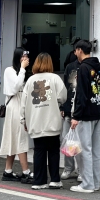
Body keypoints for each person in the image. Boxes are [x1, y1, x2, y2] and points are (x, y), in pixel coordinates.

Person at [21, 53, 67, 190]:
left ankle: (39, 181)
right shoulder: (55, 78)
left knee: (39, 150)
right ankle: (54, 179)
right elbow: (63, 96)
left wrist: (23, 120)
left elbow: (24, 103)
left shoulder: (30, 81)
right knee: (53, 150)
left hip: (35, 121)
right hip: (52, 120)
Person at [70, 39, 100, 193]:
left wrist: (76, 116)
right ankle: (95, 183)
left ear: (79, 50)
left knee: (85, 149)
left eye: (75, 50)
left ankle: (87, 184)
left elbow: (81, 94)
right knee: (95, 150)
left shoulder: (83, 68)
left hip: (86, 113)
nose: (74, 53)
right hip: (98, 109)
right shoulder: (98, 66)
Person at [1, 48, 32, 183]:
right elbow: (15, 87)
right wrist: (23, 69)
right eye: (23, 57)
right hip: (14, 105)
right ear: (18, 57)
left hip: (20, 104)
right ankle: (26, 171)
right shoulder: (10, 70)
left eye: (27, 57)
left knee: (14, 136)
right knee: (20, 136)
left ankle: (8, 170)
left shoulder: (21, 72)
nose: (25, 60)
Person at [60, 49, 82, 182]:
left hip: (80, 111)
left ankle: (81, 170)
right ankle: (68, 168)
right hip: (69, 108)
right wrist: (63, 106)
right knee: (66, 139)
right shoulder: (70, 67)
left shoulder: (87, 67)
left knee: (80, 142)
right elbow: (65, 88)